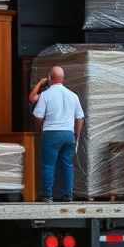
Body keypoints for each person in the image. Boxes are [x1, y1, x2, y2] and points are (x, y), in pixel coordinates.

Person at [31, 66, 85, 203]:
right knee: (67, 165)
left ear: (49, 77)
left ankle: (48, 196)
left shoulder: (46, 95)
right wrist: (76, 135)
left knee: (48, 165)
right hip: (69, 134)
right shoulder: (73, 95)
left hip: (51, 133)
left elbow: (38, 116)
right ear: (63, 78)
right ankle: (68, 195)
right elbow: (80, 118)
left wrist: (40, 131)